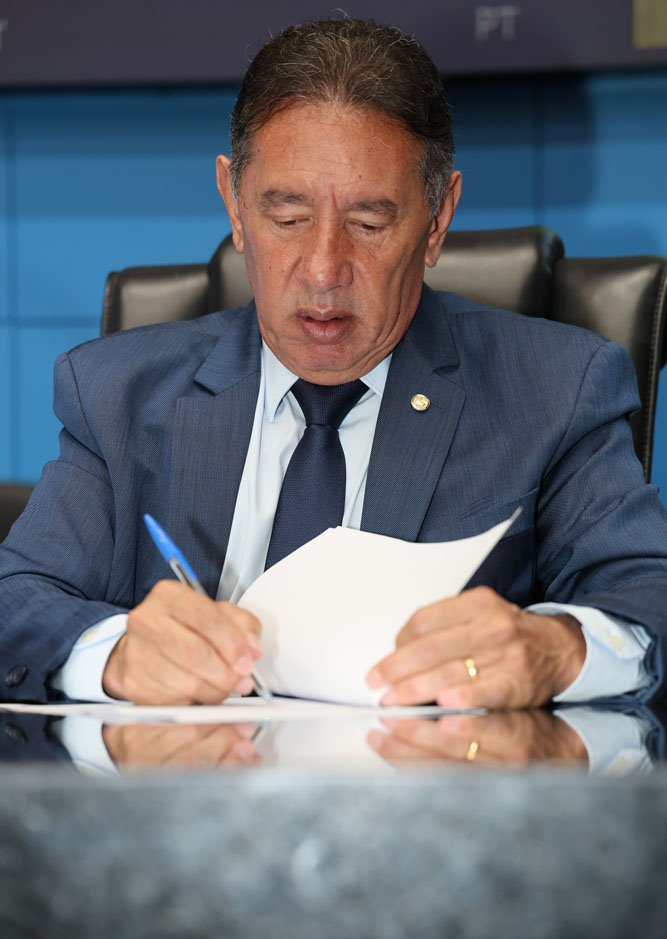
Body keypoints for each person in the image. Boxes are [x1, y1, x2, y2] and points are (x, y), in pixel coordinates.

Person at [1, 18, 667, 711]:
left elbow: (649, 594)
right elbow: (15, 600)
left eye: (369, 223)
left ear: (438, 219)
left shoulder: (554, 390)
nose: (322, 270)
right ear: (233, 203)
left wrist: (558, 648)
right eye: (287, 218)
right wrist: (113, 652)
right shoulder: (117, 395)